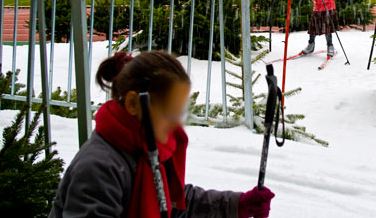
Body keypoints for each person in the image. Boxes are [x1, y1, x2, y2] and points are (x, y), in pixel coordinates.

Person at [49, 50, 275, 218]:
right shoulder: (99, 167)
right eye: (168, 114)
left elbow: (173, 202)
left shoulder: (147, 147)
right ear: (133, 104)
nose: (176, 125)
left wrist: (237, 205)